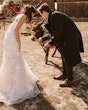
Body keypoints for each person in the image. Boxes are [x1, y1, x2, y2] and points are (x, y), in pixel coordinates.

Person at [0, 5, 40, 105]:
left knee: (13, 59)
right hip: (12, 39)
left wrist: (30, 31)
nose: (33, 15)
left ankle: (9, 81)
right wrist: (19, 42)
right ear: (31, 12)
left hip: (9, 37)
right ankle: (14, 85)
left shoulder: (22, 16)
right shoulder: (23, 17)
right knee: (16, 58)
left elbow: (21, 27)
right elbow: (16, 30)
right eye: (33, 13)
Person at [37, 3, 84, 87]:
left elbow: (58, 32)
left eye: (41, 14)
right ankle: (64, 74)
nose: (42, 17)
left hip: (70, 38)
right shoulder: (52, 17)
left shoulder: (55, 16)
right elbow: (52, 33)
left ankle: (70, 79)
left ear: (44, 12)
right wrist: (43, 38)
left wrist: (50, 42)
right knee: (63, 56)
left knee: (67, 57)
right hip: (65, 38)